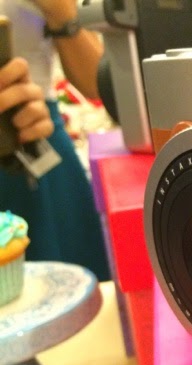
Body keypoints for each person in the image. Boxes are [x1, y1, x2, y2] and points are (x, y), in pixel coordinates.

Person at [0, 0, 111, 281]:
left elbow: (96, 82)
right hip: (30, 129)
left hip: (32, 132)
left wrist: (61, 12)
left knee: (72, 282)